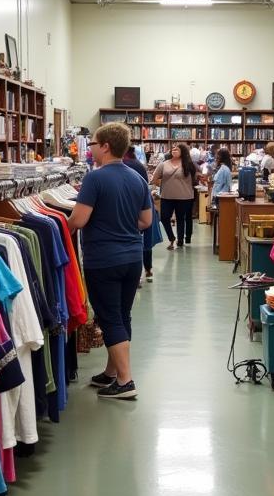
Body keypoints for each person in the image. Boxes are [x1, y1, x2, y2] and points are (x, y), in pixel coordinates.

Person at [68, 122, 152, 400]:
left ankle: (126, 381)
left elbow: (78, 220)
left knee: (109, 317)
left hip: (103, 259)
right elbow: (146, 221)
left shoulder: (95, 178)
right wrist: (121, 224)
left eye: (92, 144)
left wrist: (59, 231)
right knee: (122, 315)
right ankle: (112, 372)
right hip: (132, 258)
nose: (90, 150)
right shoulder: (138, 178)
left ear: (105, 146)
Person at [124, 145, 160, 283]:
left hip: (134, 206)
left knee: (137, 239)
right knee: (146, 240)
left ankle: (138, 275)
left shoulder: (126, 165)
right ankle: (148, 269)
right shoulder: (137, 164)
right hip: (145, 204)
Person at [151, 142, 197, 250]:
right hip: (167, 196)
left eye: (177, 149)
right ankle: (171, 237)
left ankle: (180, 240)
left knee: (181, 219)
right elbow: (154, 178)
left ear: (183, 152)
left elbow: (195, 178)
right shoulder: (164, 164)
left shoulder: (188, 165)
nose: (174, 150)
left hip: (184, 197)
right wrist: (156, 186)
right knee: (164, 217)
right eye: (173, 148)